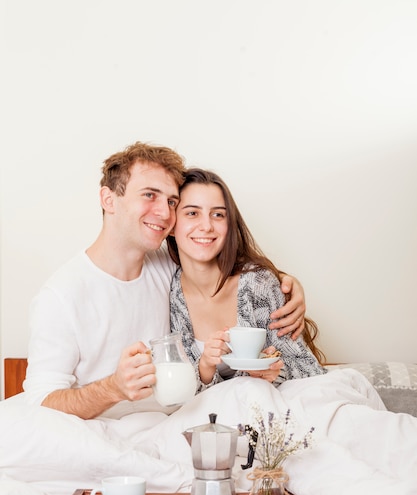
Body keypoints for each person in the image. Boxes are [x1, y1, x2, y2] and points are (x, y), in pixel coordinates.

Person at [22, 141, 307, 421]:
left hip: (170, 426)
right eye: (149, 195)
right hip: (100, 432)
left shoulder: (166, 266)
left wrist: (283, 282)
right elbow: (40, 403)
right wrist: (113, 388)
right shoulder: (60, 296)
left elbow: (219, 260)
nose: (165, 213)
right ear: (108, 199)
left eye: (172, 201)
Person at [168, 168, 327, 393]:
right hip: (213, 421)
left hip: (272, 414)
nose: (206, 226)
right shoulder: (166, 291)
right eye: (192, 213)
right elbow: (176, 389)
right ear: (172, 223)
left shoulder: (257, 284)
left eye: (218, 214)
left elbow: (308, 368)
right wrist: (205, 370)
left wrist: (275, 373)